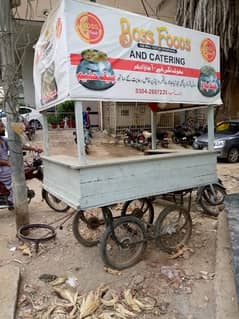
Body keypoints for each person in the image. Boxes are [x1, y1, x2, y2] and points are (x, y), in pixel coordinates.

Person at [0, 120, 42, 208]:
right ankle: (13, 199)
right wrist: (8, 163)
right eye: (1, 127)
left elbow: (18, 145)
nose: (3, 129)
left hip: (6, 166)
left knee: (24, 168)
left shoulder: (3, 140)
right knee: (16, 178)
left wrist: (34, 149)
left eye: (3, 126)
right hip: (2, 169)